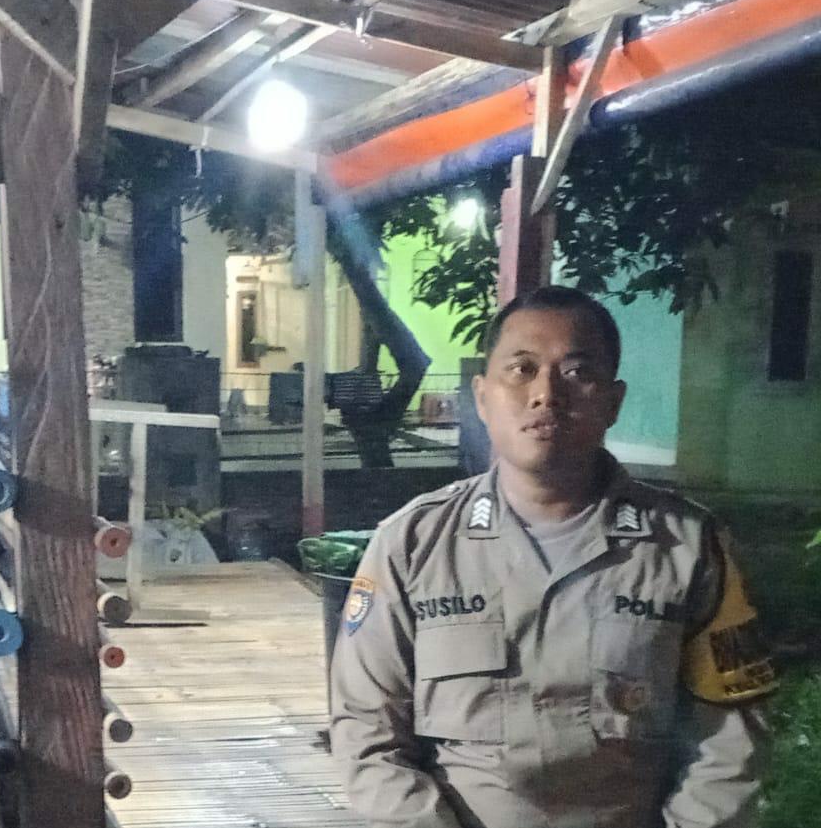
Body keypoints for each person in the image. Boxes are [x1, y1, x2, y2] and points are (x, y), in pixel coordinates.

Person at [330, 286, 776, 828]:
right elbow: (367, 735)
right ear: (482, 397)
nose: (546, 394)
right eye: (521, 370)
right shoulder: (411, 544)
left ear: (613, 401)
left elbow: (730, 738)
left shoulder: (688, 547)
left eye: (576, 372)